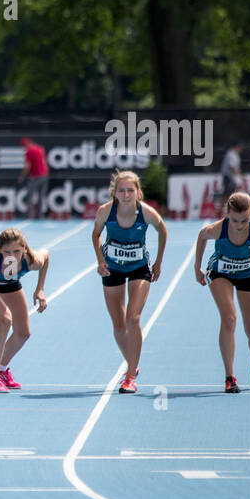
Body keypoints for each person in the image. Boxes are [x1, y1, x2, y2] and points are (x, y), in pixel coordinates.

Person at [91, 169, 168, 394]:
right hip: (112, 268)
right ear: (114, 193)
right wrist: (100, 260)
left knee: (132, 319)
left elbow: (163, 230)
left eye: (130, 190)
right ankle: (132, 364)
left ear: (138, 192)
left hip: (139, 268)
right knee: (118, 324)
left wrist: (159, 263)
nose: (126, 195)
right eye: (121, 191)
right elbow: (95, 235)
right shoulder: (105, 212)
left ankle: (131, 375)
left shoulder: (146, 213)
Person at [193, 192, 250, 393]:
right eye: (235, 220)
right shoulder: (217, 229)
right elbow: (202, 235)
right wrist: (197, 267)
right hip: (221, 272)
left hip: (248, 275)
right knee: (229, 319)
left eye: (244, 220)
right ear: (227, 214)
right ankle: (230, 376)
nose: (239, 225)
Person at [0, 228, 50, 392]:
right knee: (5, 321)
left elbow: (46, 255)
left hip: (9, 279)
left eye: (17, 251)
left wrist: (40, 289)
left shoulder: (31, 260)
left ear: (24, 248)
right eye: (6, 252)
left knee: (23, 333)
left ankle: (2, 368)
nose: (12, 256)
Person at [17, 137, 50, 220]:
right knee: (41, 196)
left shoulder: (29, 150)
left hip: (36, 176)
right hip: (45, 174)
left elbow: (27, 165)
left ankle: (29, 215)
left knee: (30, 195)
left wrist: (22, 176)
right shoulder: (39, 148)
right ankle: (40, 215)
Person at [218, 144, 242, 211]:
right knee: (227, 193)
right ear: (237, 147)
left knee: (233, 193)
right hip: (229, 177)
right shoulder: (231, 155)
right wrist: (238, 175)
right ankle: (220, 209)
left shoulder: (234, 154)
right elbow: (232, 167)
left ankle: (232, 209)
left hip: (231, 178)